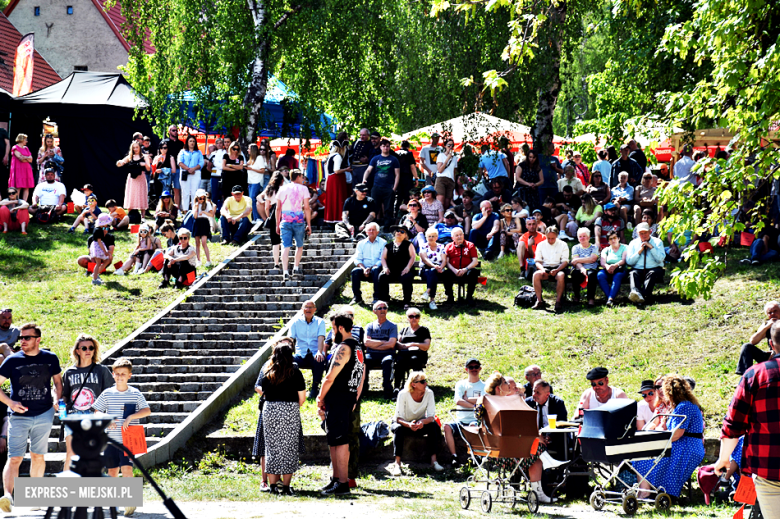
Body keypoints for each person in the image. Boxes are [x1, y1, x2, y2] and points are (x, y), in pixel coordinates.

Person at [716, 321, 780, 515]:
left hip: (769, 471)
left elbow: (733, 425)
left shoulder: (755, 374)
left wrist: (723, 459)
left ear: (771, 344)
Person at [0, 323, 62, 513]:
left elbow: (58, 383)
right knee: (15, 458)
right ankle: (8, 497)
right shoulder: (12, 361)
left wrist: (57, 399)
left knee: (37, 456)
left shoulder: (50, 358)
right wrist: (10, 403)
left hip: (44, 414)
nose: (22, 341)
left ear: (38, 339)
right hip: (19, 416)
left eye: (27, 338)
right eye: (20, 338)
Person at [480, 372, 553, 503]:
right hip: (506, 451)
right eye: (506, 383)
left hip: (499, 449)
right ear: (499, 388)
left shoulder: (486, 402)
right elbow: (512, 428)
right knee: (538, 450)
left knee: (536, 458)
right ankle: (540, 489)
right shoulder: (499, 404)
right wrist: (536, 437)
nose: (509, 385)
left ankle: (538, 493)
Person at [91, 357, 150, 518]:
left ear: (129, 375)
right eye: (117, 373)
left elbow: (146, 410)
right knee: (112, 470)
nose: (119, 376)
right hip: (110, 440)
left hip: (129, 441)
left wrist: (132, 417)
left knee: (127, 469)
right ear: (112, 374)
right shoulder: (107, 393)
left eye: (123, 374)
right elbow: (96, 411)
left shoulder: (135, 393)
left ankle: (130, 500)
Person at [317, 313, 366, 496]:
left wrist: (320, 397)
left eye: (333, 328)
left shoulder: (343, 347)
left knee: (340, 441)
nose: (331, 332)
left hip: (338, 397)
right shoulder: (359, 347)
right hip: (347, 398)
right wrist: (355, 398)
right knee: (335, 440)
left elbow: (330, 377)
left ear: (341, 328)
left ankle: (343, 482)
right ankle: (336, 479)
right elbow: (361, 376)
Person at [633, 374, 704, 498]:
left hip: (687, 447)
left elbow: (677, 433)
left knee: (643, 458)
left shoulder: (684, 406)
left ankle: (649, 492)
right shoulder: (681, 406)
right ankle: (649, 491)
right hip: (682, 445)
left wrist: (656, 441)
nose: (660, 393)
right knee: (641, 455)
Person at [256, 339, 306, 495]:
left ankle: (272, 486)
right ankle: (286, 487)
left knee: (271, 448)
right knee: (289, 448)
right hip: (289, 409)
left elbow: (262, 390)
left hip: (270, 409)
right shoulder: (295, 372)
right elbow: (302, 398)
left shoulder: (268, 372)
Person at [61, 334, 114, 472]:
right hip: (74, 417)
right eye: (83, 348)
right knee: (71, 454)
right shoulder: (69, 372)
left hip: (94, 416)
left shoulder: (102, 371)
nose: (87, 350)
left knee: (94, 455)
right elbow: (65, 396)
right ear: (77, 351)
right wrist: (60, 403)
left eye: (91, 347)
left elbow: (110, 394)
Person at [388, 371, 443, 475]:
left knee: (434, 427)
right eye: (422, 382)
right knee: (398, 429)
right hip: (403, 423)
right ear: (413, 384)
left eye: (425, 381)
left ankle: (434, 461)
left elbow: (431, 416)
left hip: (419, 423)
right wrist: (409, 425)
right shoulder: (403, 394)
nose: (425, 384)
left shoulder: (429, 393)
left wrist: (422, 422)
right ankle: (397, 463)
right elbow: (398, 418)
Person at [443, 359, 485, 466]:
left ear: (480, 369)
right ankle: (454, 456)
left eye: (476, 367)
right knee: (447, 427)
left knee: (473, 426)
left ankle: (475, 456)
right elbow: (458, 401)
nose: (474, 369)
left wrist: (467, 399)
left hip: (475, 420)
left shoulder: (484, 386)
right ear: (466, 369)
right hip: (460, 420)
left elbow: (484, 401)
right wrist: (475, 406)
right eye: (471, 367)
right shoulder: (461, 384)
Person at [276, 169, 312, 280]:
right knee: (299, 245)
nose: (303, 179)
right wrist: (309, 224)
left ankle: (285, 271)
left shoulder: (282, 188)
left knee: (285, 246)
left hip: (285, 220)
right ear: (297, 177)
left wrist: (277, 223)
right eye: (302, 176)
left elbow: (278, 208)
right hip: (299, 220)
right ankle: (296, 267)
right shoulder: (304, 189)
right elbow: (306, 207)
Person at [289, 300, 327, 399]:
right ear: (302, 309)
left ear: (315, 309)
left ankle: (315, 387)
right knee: (288, 360)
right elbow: (290, 339)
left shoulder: (320, 322)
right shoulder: (295, 322)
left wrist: (319, 351)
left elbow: (321, 338)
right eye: (306, 307)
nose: (308, 309)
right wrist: (287, 351)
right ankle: (293, 387)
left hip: (315, 352)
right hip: (300, 354)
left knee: (320, 359)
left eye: (311, 307)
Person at [363, 301, 397, 400]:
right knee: (364, 361)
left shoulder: (392, 326)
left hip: (387, 354)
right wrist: (383, 342)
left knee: (388, 361)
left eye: (384, 308)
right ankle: (364, 390)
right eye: (380, 308)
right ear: (374, 311)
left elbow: (391, 344)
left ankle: (387, 391)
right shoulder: (370, 326)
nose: (383, 310)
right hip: (371, 354)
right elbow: (366, 342)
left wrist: (374, 344)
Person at [376, 226, 416, 308]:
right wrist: (385, 267)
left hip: (405, 270)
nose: (399, 232)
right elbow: (383, 258)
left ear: (405, 235)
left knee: (407, 278)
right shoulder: (388, 245)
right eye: (397, 230)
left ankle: (406, 302)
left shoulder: (409, 244)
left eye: (402, 231)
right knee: (382, 276)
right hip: (391, 271)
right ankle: (385, 300)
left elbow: (413, 257)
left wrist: (408, 267)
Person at [736, 301, 780, 375]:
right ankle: (745, 376)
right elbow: (753, 341)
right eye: (770, 312)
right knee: (747, 347)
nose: (772, 314)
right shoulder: (767, 325)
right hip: (772, 355)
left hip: (777, 353)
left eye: (775, 311)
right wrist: (766, 327)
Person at [532, 226, 569, 313]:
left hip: (558, 268)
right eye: (548, 238)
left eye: (553, 238)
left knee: (561, 276)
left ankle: (558, 301)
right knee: (536, 275)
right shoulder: (541, 245)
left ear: (557, 236)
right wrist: (542, 269)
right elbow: (537, 261)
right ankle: (539, 300)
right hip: (545, 268)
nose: (550, 240)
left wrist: (557, 270)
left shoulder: (563, 245)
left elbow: (565, 261)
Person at [626, 222, 665, 305]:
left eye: (645, 233)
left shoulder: (658, 242)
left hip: (654, 268)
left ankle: (643, 296)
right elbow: (629, 261)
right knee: (633, 273)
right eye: (641, 233)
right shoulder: (633, 243)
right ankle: (636, 293)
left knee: (652, 273)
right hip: (638, 269)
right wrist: (639, 252)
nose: (643, 235)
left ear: (650, 231)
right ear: (637, 233)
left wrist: (651, 247)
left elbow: (661, 259)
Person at [365, 140, 400, 232]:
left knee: (388, 209)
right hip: (376, 187)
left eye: (387, 146)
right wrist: (364, 179)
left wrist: (394, 188)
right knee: (374, 208)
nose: (386, 148)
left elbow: (397, 174)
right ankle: (373, 227)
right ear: (380, 147)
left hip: (389, 188)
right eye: (384, 146)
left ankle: (387, 228)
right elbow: (368, 170)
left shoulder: (394, 159)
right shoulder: (375, 159)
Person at [394, 308, 432, 393]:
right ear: (407, 318)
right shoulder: (404, 331)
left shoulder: (424, 330)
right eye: (411, 316)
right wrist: (402, 346)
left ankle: (419, 385)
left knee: (414, 359)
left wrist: (413, 344)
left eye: (416, 316)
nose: (414, 318)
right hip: (404, 354)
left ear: (419, 318)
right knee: (399, 361)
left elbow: (426, 345)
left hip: (419, 354)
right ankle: (396, 388)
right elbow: (396, 343)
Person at [443, 227, 480, 304]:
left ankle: (469, 297)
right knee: (446, 274)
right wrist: (454, 270)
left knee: (473, 272)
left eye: (461, 234)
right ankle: (450, 297)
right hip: (454, 271)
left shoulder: (470, 245)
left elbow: (475, 261)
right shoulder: (448, 246)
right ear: (452, 237)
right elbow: (446, 262)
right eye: (456, 235)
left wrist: (465, 269)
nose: (459, 237)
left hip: (467, 271)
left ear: (463, 235)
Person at [350, 222, 384, 305]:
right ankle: (357, 297)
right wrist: (364, 269)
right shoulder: (361, 243)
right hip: (364, 268)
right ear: (366, 232)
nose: (371, 232)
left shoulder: (383, 243)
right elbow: (357, 259)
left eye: (373, 230)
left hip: (377, 268)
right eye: (369, 230)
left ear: (378, 232)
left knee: (376, 270)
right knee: (355, 271)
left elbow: (382, 259)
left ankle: (377, 297)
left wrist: (371, 268)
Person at [117, 140, 150, 216]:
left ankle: (143, 216)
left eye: (137, 147)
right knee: (131, 194)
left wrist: (145, 164)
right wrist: (120, 162)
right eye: (134, 147)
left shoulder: (144, 156)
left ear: (140, 148)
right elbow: (120, 163)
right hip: (132, 178)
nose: (135, 149)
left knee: (141, 194)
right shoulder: (130, 156)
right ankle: (130, 215)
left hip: (141, 177)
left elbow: (148, 168)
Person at [323, 139, 352, 224]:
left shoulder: (331, 156)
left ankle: (331, 219)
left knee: (333, 199)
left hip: (332, 179)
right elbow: (336, 170)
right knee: (338, 199)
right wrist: (346, 169)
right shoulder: (338, 156)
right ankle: (337, 219)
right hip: (336, 180)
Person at [569, 228, 600, 306]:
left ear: (589, 237)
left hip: (591, 268)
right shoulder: (575, 247)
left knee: (591, 275)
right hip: (579, 268)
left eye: (584, 236)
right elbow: (575, 262)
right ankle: (576, 296)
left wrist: (578, 260)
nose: (582, 238)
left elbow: (593, 259)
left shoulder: (594, 247)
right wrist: (582, 268)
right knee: (575, 273)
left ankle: (591, 298)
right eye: (580, 236)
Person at [419, 228, 447, 310]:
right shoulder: (423, 246)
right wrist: (434, 266)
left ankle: (427, 292)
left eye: (433, 236)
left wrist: (440, 267)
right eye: (429, 236)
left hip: (439, 271)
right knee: (432, 272)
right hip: (425, 270)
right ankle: (432, 301)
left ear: (436, 237)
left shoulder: (441, 246)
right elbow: (425, 259)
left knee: (434, 273)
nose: (430, 238)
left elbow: (444, 260)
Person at [598, 231, 628, 306]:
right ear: (608, 241)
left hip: (620, 269)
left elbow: (623, 260)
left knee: (617, 276)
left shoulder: (625, 247)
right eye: (610, 239)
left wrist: (615, 265)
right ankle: (610, 299)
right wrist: (607, 266)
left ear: (618, 238)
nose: (613, 240)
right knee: (600, 275)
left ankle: (610, 298)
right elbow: (602, 262)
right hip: (608, 269)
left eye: (614, 238)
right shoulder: (606, 250)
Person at [177, 135, 204, 212]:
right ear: (187, 142)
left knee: (194, 193)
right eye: (190, 141)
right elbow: (180, 162)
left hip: (196, 173)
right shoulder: (182, 151)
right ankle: (185, 210)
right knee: (185, 192)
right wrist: (188, 169)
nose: (192, 143)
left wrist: (193, 169)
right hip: (185, 173)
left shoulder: (199, 152)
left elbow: (201, 163)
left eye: (193, 141)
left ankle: (194, 210)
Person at [245, 144, 271, 221]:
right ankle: (254, 217)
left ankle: (257, 218)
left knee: (253, 198)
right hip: (250, 182)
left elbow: (262, 170)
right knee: (251, 200)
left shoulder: (259, 158)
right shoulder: (251, 159)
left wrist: (251, 168)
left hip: (257, 181)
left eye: (249, 149)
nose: (247, 150)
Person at [88, 214, 115, 286]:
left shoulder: (99, 229)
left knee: (106, 261)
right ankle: (94, 279)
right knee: (98, 263)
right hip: (98, 247)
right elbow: (99, 242)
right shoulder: (98, 230)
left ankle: (95, 274)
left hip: (98, 246)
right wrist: (105, 251)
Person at [162, 126, 184, 207]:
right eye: (173, 130)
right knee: (166, 190)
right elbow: (160, 154)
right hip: (167, 169)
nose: (175, 132)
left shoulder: (181, 143)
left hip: (178, 169)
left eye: (176, 130)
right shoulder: (165, 142)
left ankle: (177, 209)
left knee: (177, 190)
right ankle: (165, 208)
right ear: (169, 131)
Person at [8, 134, 34, 203]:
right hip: (18, 169)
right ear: (22, 139)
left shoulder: (26, 148)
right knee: (18, 186)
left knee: (26, 186)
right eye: (25, 139)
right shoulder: (15, 147)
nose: (27, 141)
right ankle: (17, 202)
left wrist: (25, 157)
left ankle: (24, 203)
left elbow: (31, 159)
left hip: (26, 169)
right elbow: (20, 158)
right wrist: (27, 158)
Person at [192, 189, 214, 267]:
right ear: (197, 198)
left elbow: (211, 214)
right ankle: (198, 260)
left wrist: (204, 212)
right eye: (200, 198)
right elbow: (194, 216)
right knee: (197, 242)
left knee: (204, 242)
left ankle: (208, 260)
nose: (202, 200)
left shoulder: (207, 204)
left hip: (204, 222)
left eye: (203, 198)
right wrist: (196, 208)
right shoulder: (195, 205)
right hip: (197, 222)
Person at [435, 138, 458, 209]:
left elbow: (454, 171)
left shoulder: (454, 158)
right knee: (440, 203)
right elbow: (440, 170)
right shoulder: (441, 155)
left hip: (450, 180)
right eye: (449, 145)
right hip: (441, 179)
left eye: (452, 145)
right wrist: (447, 158)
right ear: (445, 146)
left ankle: (445, 218)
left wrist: (454, 183)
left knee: (447, 204)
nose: (451, 147)